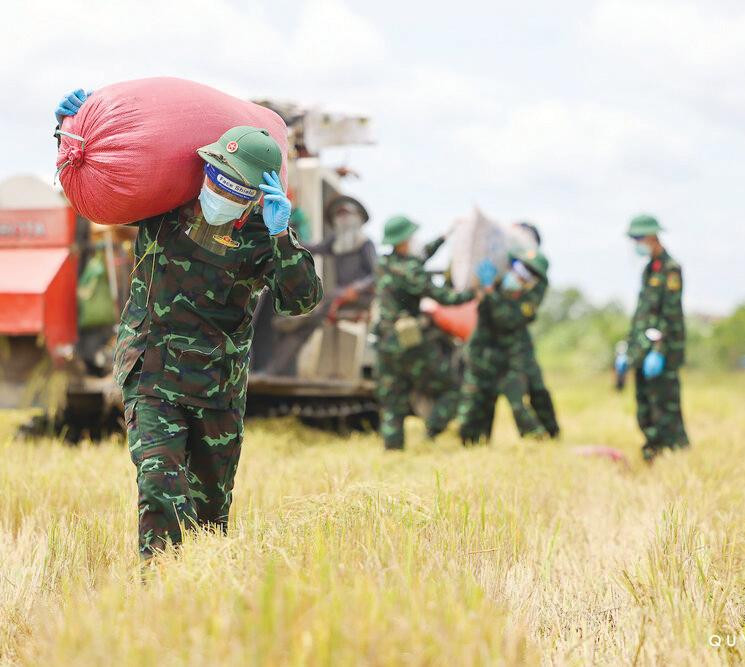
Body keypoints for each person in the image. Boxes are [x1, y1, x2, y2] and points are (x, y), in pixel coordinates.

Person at [55, 89, 323, 560]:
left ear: (256, 196)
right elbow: (94, 187)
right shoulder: (163, 208)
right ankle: (156, 593)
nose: (219, 191)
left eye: (235, 187)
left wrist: (283, 234)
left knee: (210, 516)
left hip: (218, 386)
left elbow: (300, 300)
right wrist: (70, 136)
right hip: (153, 375)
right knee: (160, 487)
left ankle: (199, 597)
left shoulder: (264, 236)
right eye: (216, 176)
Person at [374, 215, 476, 450]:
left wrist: (444, 236)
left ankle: (393, 450)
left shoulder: (384, 263)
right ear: (404, 241)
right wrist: (475, 292)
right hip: (409, 344)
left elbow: (419, 257)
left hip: (385, 342)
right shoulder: (412, 271)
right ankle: (431, 431)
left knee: (392, 399)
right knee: (451, 388)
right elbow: (445, 298)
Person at [261, 196, 377, 375]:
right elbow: (313, 248)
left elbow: (374, 276)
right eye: (339, 214)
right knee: (303, 328)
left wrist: (356, 289)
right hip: (336, 297)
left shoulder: (365, 244)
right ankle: (275, 367)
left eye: (346, 213)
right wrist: (284, 236)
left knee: (311, 315)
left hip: (358, 297)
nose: (342, 218)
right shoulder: (336, 242)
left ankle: (299, 319)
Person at [457, 248, 557, 444]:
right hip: (482, 353)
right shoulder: (498, 278)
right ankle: (473, 439)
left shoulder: (528, 301)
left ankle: (540, 437)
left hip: (510, 358)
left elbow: (506, 319)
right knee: (477, 401)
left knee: (519, 399)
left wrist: (489, 291)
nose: (518, 276)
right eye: (518, 269)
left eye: (526, 276)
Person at [617, 214, 689, 462]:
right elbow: (642, 314)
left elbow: (669, 313)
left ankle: (672, 454)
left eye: (639, 238)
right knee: (645, 405)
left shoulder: (671, 269)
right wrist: (629, 347)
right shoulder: (650, 269)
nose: (636, 243)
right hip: (643, 349)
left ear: (652, 237)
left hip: (663, 350)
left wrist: (659, 349)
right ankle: (654, 450)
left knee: (665, 406)